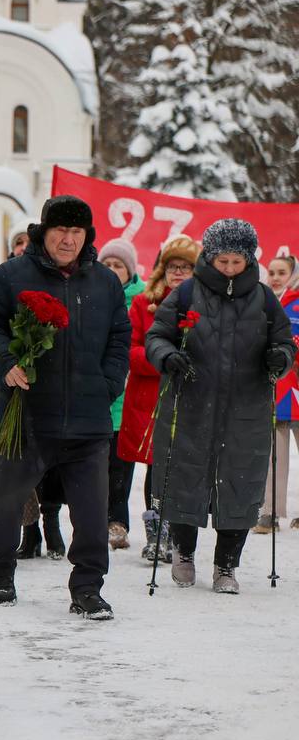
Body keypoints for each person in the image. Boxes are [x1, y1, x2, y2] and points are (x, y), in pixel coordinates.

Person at [0, 195, 130, 619]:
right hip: (26, 415)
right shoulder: (11, 276)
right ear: (42, 232)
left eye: (76, 232)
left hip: (88, 419)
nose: (68, 239)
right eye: (60, 230)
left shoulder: (104, 282)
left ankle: (87, 587)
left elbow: (120, 336)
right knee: (7, 501)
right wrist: (5, 363)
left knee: (91, 513)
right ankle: (2, 572)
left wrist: (108, 384)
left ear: (87, 236)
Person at [147, 219, 296, 593]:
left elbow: (285, 344)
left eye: (237, 261)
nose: (229, 268)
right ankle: (183, 552)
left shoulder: (264, 298)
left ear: (248, 260)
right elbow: (156, 336)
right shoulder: (185, 295)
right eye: (222, 261)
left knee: (240, 482)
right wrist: (167, 356)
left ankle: (226, 565)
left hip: (245, 405)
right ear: (210, 257)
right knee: (185, 477)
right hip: (192, 401)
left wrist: (280, 357)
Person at [117, 237, 199, 561]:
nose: (178, 273)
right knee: (156, 464)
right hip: (151, 397)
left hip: (190, 397)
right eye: (172, 266)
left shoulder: (203, 306)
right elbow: (131, 349)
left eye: (186, 267)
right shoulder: (142, 304)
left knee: (182, 468)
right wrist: (162, 359)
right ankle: (156, 534)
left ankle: (178, 532)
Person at [97, 238, 146, 550]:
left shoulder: (142, 301)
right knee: (94, 465)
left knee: (121, 465)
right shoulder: (92, 295)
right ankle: (95, 520)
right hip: (97, 394)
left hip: (128, 399)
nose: (113, 270)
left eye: (119, 265)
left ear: (130, 271)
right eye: (108, 264)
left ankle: (118, 523)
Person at [261, 254, 299, 533]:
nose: (275, 277)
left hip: (296, 386)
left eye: (281, 272)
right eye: (272, 271)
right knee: (273, 455)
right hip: (274, 388)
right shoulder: (264, 302)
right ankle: (270, 513)